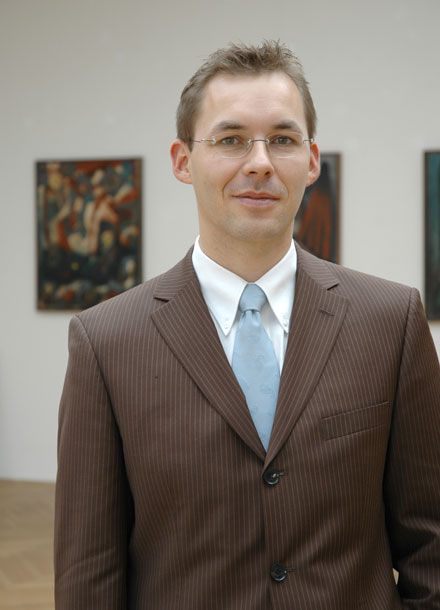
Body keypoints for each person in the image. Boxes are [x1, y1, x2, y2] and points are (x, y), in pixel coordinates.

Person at [54, 41, 440, 609]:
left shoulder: (391, 322)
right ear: (183, 161)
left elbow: (430, 542)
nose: (260, 162)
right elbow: (89, 569)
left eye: (282, 140)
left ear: (311, 160)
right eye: (231, 139)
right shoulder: (106, 342)